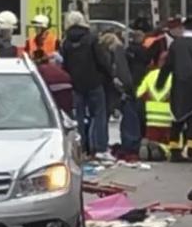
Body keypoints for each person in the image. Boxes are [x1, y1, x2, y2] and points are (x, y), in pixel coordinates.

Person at [158, 15, 192, 162]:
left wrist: (160, 83)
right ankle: (191, 148)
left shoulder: (176, 44)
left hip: (177, 85)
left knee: (176, 117)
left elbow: (167, 65)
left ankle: (175, 149)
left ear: (183, 27)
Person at [60, 11, 112, 159]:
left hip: (76, 85)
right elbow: (102, 61)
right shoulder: (91, 39)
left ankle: (81, 149)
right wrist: (108, 76)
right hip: (94, 83)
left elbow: (65, 65)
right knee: (99, 115)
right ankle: (100, 148)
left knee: (79, 118)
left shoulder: (66, 42)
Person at [102, 31, 141, 161]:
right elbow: (124, 73)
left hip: (106, 90)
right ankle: (129, 146)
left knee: (103, 119)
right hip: (120, 91)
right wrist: (128, 88)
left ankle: (102, 145)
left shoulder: (100, 53)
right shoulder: (118, 51)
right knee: (129, 116)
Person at [137, 63, 173, 159]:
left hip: (151, 118)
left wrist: (150, 97)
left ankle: (149, 144)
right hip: (168, 119)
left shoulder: (150, 75)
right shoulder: (173, 76)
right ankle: (160, 148)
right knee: (171, 144)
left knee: (152, 137)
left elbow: (139, 93)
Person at [31, 42, 73, 116]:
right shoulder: (53, 66)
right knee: (66, 110)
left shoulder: (38, 69)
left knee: (55, 110)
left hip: (54, 87)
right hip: (68, 85)